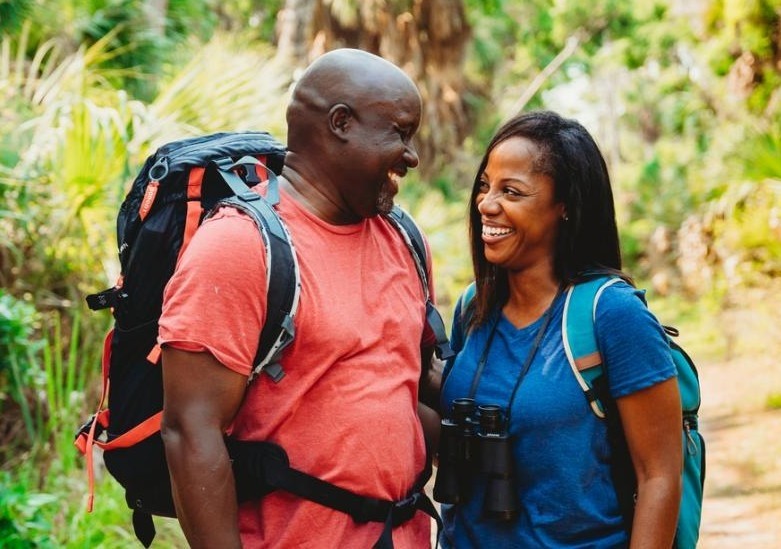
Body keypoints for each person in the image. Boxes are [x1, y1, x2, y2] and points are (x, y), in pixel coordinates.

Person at [158, 48, 441, 548]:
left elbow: (408, 386)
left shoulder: (405, 239)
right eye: (399, 132)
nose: (412, 155)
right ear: (340, 123)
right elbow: (189, 431)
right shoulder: (239, 247)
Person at [437, 110, 682, 547]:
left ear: (564, 206)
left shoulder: (610, 315)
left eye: (511, 191)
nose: (486, 204)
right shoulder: (473, 307)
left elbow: (659, 476)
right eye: (484, 185)